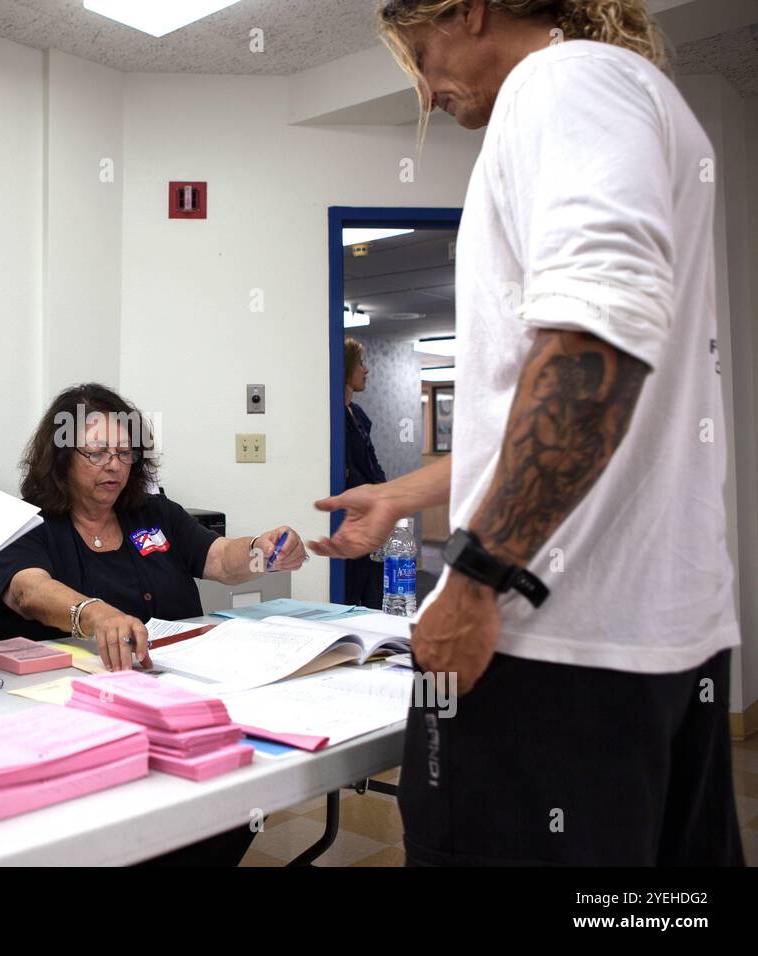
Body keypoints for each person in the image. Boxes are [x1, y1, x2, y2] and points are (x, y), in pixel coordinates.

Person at [311, 0, 743, 865]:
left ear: (470, 11)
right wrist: (401, 493)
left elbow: (593, 354)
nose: (428, 95)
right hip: (660, 638)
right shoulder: (647, 100)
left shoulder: (560, 80)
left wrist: (472, 581)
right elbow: (564, 404)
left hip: (545, 640)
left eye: (424, 55)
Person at [0, 383, 308, 673]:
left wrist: (261, 553)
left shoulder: (154, 513)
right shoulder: (26, 521)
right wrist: (96, 615)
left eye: (124, 452)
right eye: (97, 453)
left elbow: (220, 559)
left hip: (181, 673)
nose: (113, 464)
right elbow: (28, 591)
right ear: (61, 459)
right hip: (75, 688)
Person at [341, 337, 388, 608]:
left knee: (374, 593)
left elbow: (372, 462)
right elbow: (348, 471)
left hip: (373, 515)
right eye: (360, 363)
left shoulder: (357, 414)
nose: (365, 369)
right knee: (350, 591)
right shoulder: (333, 416)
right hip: (352, 516)